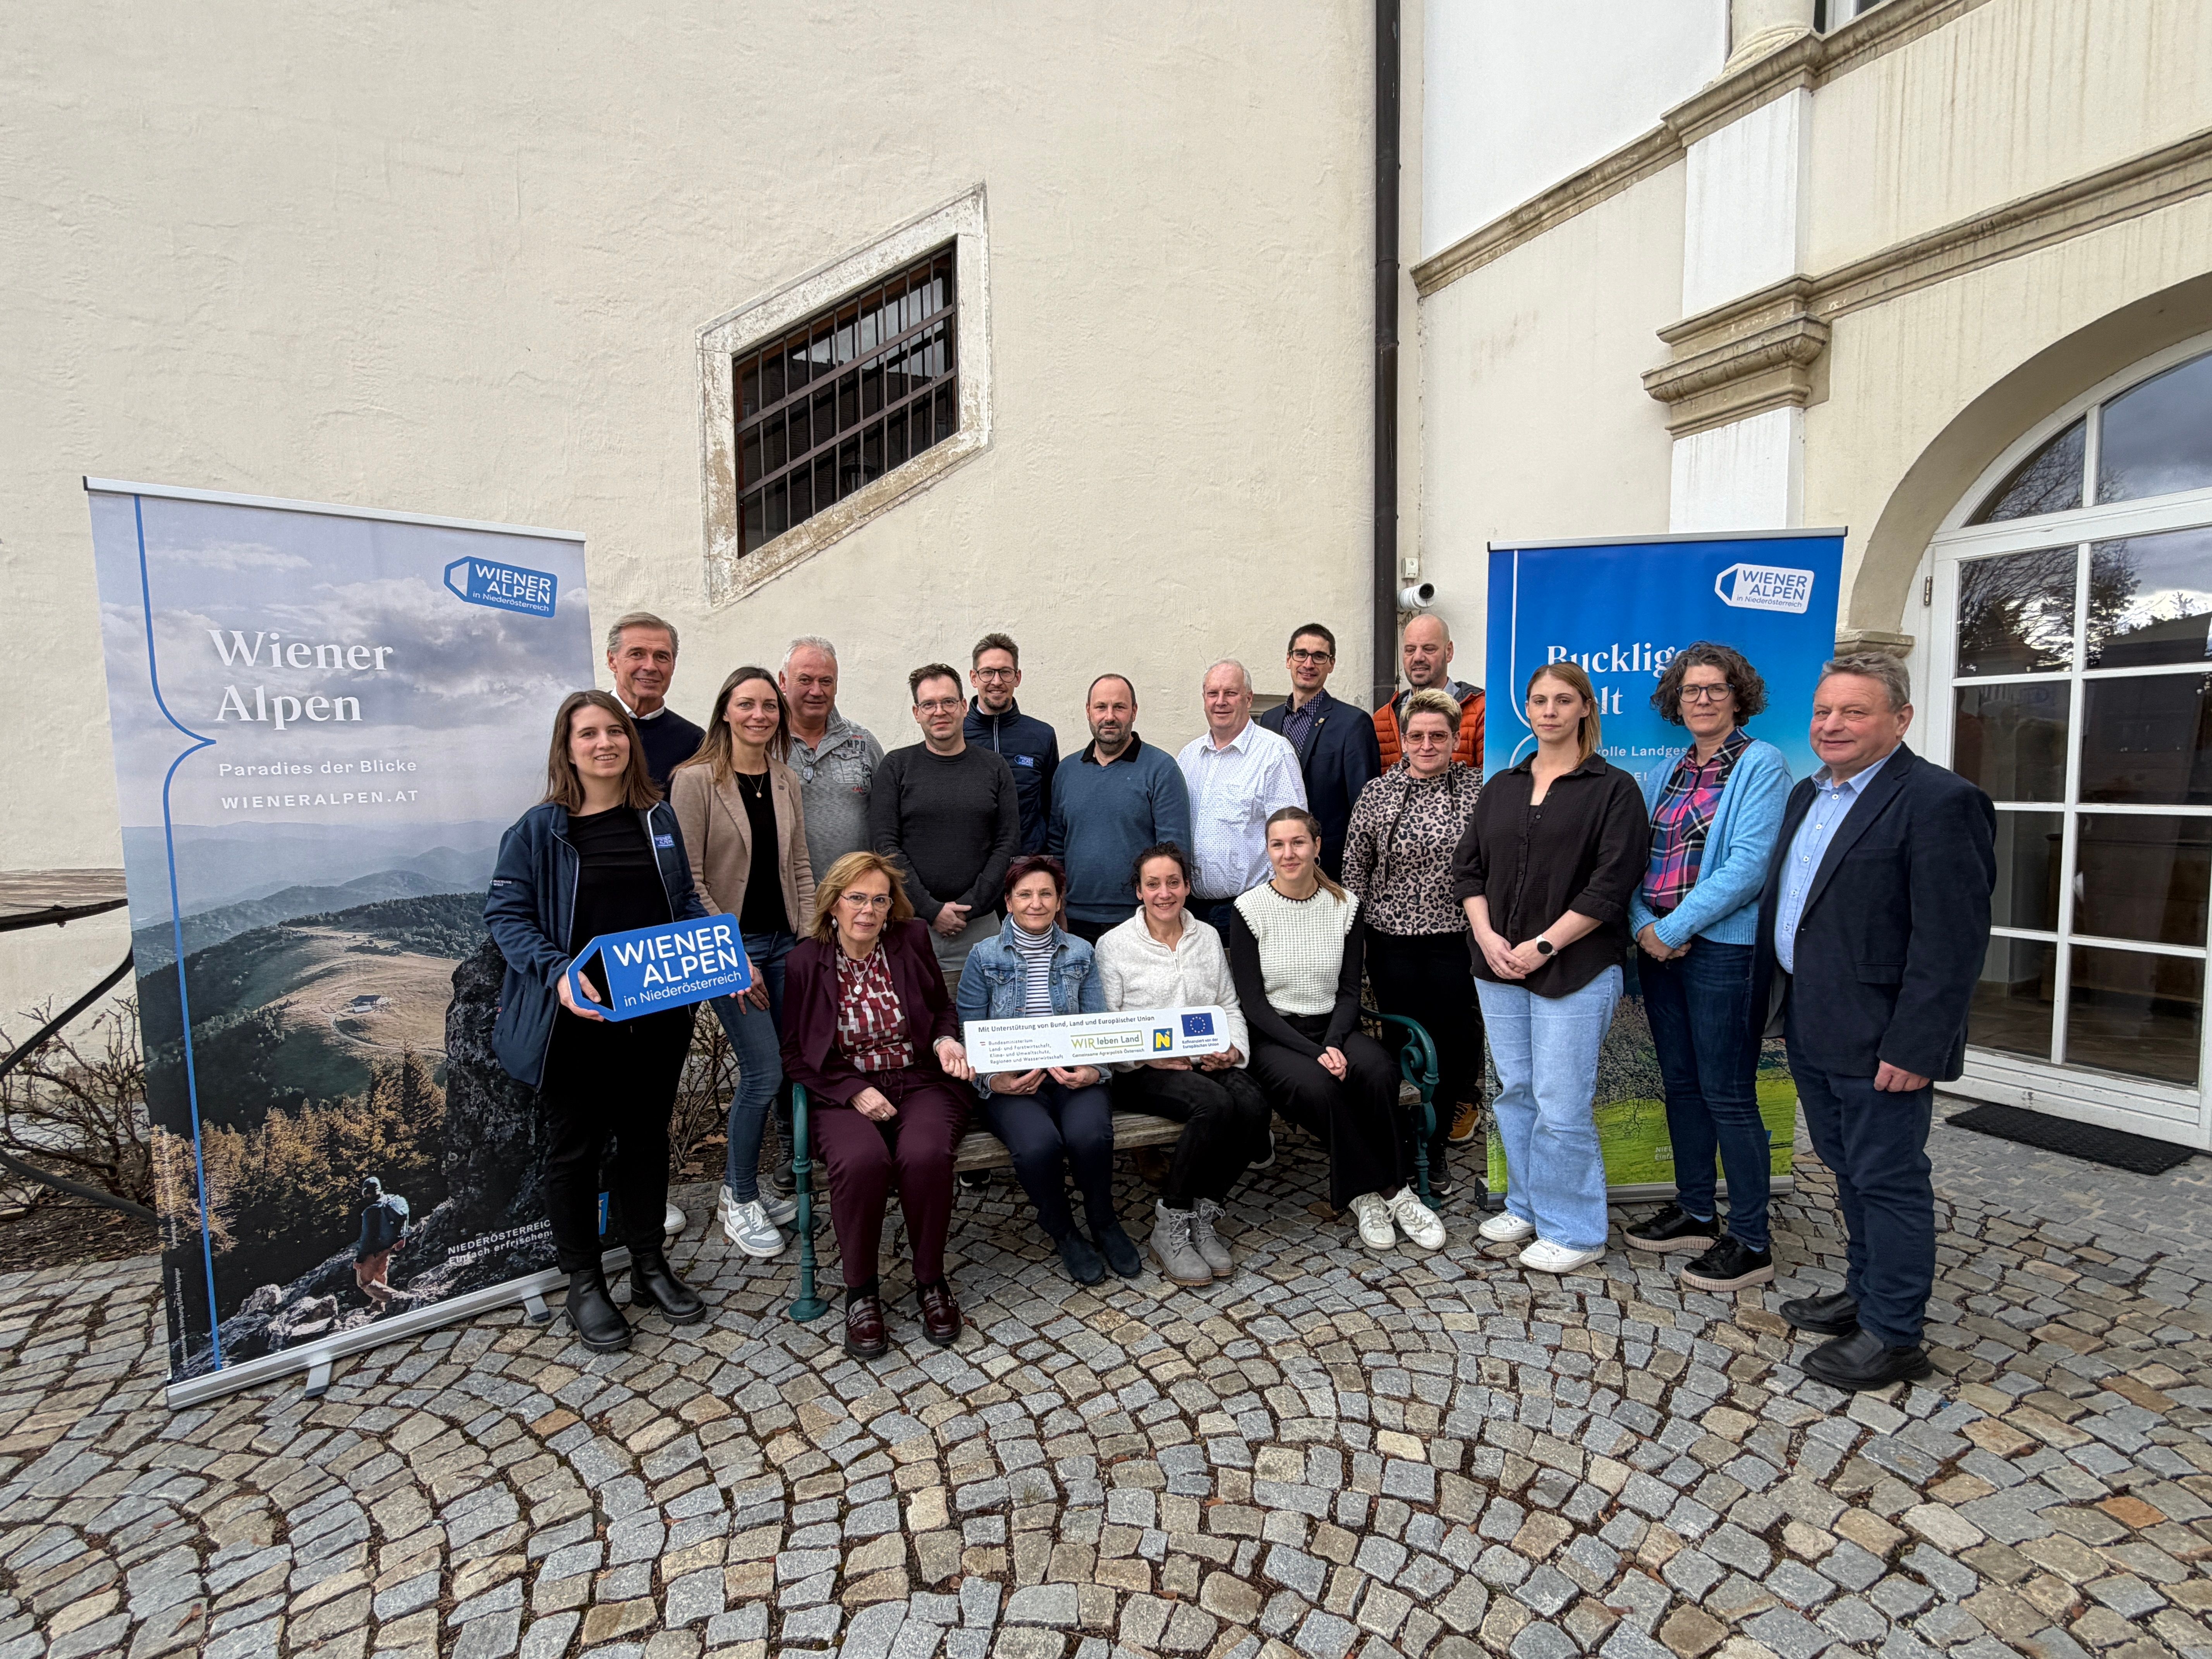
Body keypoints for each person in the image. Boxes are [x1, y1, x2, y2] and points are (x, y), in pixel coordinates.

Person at [1755, 653, 1994, 1393]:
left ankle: (1894, 1334)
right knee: (1846, 1168)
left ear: (1900, 719)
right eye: (1824, 710)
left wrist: (1917, 1045)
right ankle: (1864, 1292)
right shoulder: (1807, 794)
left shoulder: (1939, 801)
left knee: (1889, 1178)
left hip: (1883, 1036)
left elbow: (1950, 941)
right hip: (1814, 1020)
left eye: (1853, 712)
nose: (1831, 724)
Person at [485, 690, 711, 1352]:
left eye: (615, 731)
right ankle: (585, 1281)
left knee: (644, 1138)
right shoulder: (538, 828)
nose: (605, 742)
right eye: (589, 733)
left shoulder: (658, 817)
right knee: (574, 1150)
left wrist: (718, 951)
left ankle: (647, 1263)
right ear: (568, 746)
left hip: (656, 1010)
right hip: (577, 1017)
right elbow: (505, 917)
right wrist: (556, 968)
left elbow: (683, 899)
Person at [1451, 662, 1645, 1275]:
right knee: (1517, 1092)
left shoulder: (1613, 790)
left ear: (1586, 708)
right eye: (1539, 700)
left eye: (1564, 700)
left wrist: (1542, 946)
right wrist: (1487, 937)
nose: (1550, 711)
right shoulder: (1503, 786)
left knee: (1562, 1102)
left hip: (1576, 966)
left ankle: (1576, 1229)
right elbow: (1470, 870)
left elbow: (1611, 886)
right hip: (1498, 964)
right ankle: (1530, 1205)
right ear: (1528, 711)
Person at [1621, 644, 1792, 1293]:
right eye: (1690, 690)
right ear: (1676, 698)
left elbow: (1748, 866)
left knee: (1727, 1091)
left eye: (1714, 688)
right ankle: (1696, 1210)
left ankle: (1749, 1239)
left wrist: (1670, 928)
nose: (1701, 699)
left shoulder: (1760, 765)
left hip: (1721, 950)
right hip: (1660, 947)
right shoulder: (1666, 768)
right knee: (1682, 1084)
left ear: (1737, 695)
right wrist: (1643, 923)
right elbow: (1638, 857)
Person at [780, 852, 976, 1359]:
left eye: (879, 900)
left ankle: (931, 1279)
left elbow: (939, 1010)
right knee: (862, 1161)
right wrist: (852, 1091)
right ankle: (861, 1291)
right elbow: (796, 1055)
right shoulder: (806, 961)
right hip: (843, 1089)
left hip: (919, 1079)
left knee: (926, 1154)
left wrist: (945, 1043)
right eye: (857, 898)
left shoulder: (909, 941)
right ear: (834, 905)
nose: (868, 910)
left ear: (891, 908)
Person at [1226, 807, 1444, 1253]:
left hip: (1334, 1027)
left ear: (1317, 846)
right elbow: (1253, 1005)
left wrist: (1331, 1043)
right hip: (1277, 1036)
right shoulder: (1249, 909)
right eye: (1278, 845)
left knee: (1381, 1070)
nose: (1289, 854)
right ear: (1268, 851)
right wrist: (1315, 1054)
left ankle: (1378, 1190)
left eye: (1298, 843)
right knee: (1321, 1089)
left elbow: (1349, 992)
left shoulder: (1345, 905)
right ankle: (1384, 1193)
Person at [669, 665, 815, 1259]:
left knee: (785, 1064)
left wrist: (807, 941)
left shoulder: (784, 780)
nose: (760, 715)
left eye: (769, 707)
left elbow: (801, 866)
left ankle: (754, 1187)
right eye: (747, 704)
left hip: (786, 945)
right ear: (725, 711)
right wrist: (730, 959)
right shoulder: (695, 780)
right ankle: (737, 1196)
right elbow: (689, 881)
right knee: (762, 1073)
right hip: (731, 949)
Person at [957, 855, 1143, 1284]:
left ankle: (1104, 1220)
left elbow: (1098, 1022)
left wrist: (1095, 1072)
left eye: (1046, 894)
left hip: (1072, 1074)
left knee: (1089, 1134)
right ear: (1008, 901)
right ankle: (1062, 1230)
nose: (1036, 903)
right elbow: (969, 1034)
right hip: (1011, 1080)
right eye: (1025, 894)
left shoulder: (1081, 951)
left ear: (1060, 899)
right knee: (1039, 1144)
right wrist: (992, 1080)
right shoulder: (983, 956)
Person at [1096, 843, 1272, 1286]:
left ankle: (1204, 1213)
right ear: (1138, 891)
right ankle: (1171, 1224)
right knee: (1213, 1105)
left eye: (1173, 882)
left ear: (1188, 887)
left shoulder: (1207, 937)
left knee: (1253, 1104)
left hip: (1202, 1058)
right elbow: (1107, 1026)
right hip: (1140, 1072)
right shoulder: (1114, 945)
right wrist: (1149, 1055)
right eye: (1153, 884)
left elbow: (1228, 1003)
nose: (1164, 893)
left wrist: (1233, 1049)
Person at [1341, 687, 1481, 1197]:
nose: (1427, 745)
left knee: (1451, 1046)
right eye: (1417, 735)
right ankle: (1400, 1142)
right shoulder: (1377, 795)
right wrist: (1352, 945)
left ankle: (1436, 1140)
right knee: (1403, 1044)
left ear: (1454, 739)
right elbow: (1355, 871)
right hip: (1391, 941)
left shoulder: (1477, 790)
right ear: (1403, 739)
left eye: (1437, 736)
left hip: (1455, 940)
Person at [871, 663, 1022, 979]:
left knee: (984, 1022)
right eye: (929, 704)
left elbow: (1008, 842)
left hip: (981, 927)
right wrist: (930, 909)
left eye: (949, 702)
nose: (939, 712)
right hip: (910, 925)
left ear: (964, 706)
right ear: (916, 712)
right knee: (917, 1022)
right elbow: (885, 844)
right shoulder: (897, 767)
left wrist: (969, 907)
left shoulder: (994, 768)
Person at [1048, 674, 1191, 943]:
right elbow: (1057, 847)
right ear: (1088, 712)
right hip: (1076, 920)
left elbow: (1174, 851)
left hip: (1140, 918)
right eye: (1101, 707)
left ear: (1134, 712)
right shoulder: (1067, 771)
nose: (1110, 716)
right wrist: (1059, 905)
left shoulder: (1161, 769)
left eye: (1120, 707)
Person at [1177, 659, 1307, 931]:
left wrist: (1280, 905)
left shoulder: (1275, 754)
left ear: (1248, 699)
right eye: (1213, 694)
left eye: (1230, 693)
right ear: (1204, 700)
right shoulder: (1188, 758)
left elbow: (1292, 839)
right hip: (1191, 912)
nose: (1220, 702)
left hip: (1251, 909)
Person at [1256, 623, 1381, 881]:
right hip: (1275, 866)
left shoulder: (1353, 723)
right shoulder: (1268, 721)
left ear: (1331, 664)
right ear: (1288, 660)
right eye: (1301, 654)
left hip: (1331, 869)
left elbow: (1365, 809)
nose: (1309, 664)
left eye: (1319, 656)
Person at [781, 636, 885, 881]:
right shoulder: (764, 744)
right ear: (783, 681)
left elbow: (887, 820)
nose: (816, 691)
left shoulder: (863, 742)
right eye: (805, 680)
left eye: (826, 681)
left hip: (853, 899)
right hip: (785, 899)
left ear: (836, 685)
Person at [965, 633, 1060, 855]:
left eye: (1005, 672)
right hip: (972, 868)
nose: (997, 682)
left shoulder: (1042, 736)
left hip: (1027, 867)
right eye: (988, 672)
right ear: (974, 678)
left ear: (1017, 678)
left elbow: (1051, 808)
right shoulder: (956, 735)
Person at [606, 612, 706, 791]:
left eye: (661, 656)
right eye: (637, 654)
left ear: (673, 665)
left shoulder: (694, 742)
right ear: (612, 661)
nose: (650, 667)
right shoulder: (583, 727)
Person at [1376, 613, 1483, 773]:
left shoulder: (1482, 712)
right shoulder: (1381, 721)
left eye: (1429, 649)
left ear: (1449, 652)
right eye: (1410, 650)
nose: (1418, 657)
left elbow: (1493, 789)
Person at [352, 1176, 409, 1310]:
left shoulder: (371, 1211)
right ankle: (378, 1304)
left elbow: (367, 1238)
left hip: (374, 1250)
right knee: (380, 1273)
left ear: (366, 1192)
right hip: (390, 1246)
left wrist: (360, 1259)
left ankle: (399, 1299)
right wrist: (403, 1239)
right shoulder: (393, 1201)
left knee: (365, 1282)